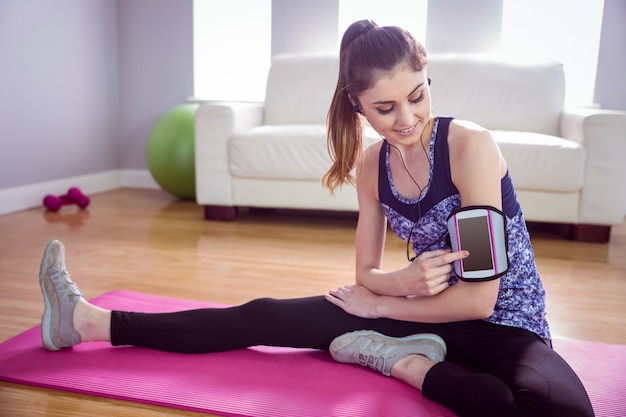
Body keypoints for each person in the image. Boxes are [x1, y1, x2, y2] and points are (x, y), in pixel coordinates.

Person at [39, 20, 594, 417]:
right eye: (385, 108)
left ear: (428, 79)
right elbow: (366, 274)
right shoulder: (373, 166)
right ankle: (90, 323)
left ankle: (398, 362)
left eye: (417, 96)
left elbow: (480, 300)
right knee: (260, 316)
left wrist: (379, 304)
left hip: (504, 324)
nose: (408, 119)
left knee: (552, 408)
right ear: (357, 106)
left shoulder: (469, 147)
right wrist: (393, 286)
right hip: (417, 310)